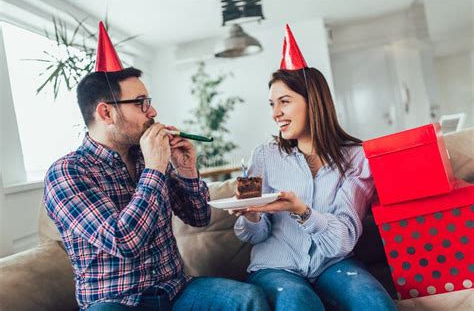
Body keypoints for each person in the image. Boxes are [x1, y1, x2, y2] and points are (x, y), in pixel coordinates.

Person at [44, 22, 269, 311]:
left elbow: (199, 217)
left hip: (175, 291)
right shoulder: (66, 174)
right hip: (115, 302)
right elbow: (124, 241)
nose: (153, 112)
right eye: (141, 103)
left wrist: (187, 170)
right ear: (106, 112)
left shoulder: (146, 155)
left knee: (248, 299)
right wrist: (155, 169)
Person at [231, 24, 396, 311]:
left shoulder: (357, 159)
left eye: (284, 102)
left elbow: (342, 241)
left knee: (375, 304)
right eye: (272, 104)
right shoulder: (262, 156)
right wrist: (252, 214)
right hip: (275, 266)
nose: (275, 113)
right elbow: (251, 235)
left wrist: (301, 211)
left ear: (314, 103)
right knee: (299, 303)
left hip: (334, 263)